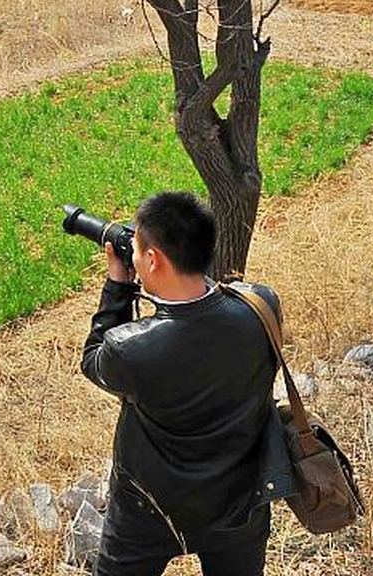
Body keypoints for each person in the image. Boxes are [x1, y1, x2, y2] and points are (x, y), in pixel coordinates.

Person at [80, 191, 293, 576]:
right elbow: (207, 308)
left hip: (149, 512)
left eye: (139, 249)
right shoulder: (261, 307)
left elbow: (94, 359)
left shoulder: (132, 349)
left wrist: (118, 286)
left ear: (153, 259)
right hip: (239, 501)